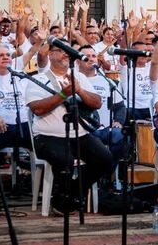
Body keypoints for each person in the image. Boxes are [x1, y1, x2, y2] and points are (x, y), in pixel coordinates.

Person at [25, 38, 112, 213]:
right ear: (50, 54)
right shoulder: (38, 78)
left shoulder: (79, 77)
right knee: (65, 159)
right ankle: (66, 197)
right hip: (47, 137)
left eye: (68, 50)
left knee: (105, 158)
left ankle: (72, 193)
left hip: (79, 134)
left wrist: (79, 90)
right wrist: (63, 95)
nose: (66, 53)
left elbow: (97, 102)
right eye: (60, 50)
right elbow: (38, 109)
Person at [77, 45, 125, 177]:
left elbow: (120, 106)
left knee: (120, 136)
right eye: (87, 56)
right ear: (77, 61)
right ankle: (96, 177)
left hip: (105, 129)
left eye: (94, 56)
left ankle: (103, 175)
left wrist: (118, 121)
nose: (91, 59)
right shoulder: (74, 80)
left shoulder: (107, 82)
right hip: (83, 131)